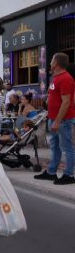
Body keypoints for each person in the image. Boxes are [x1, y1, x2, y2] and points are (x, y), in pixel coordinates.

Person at [34, 52, 75, 185]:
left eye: (51, 61)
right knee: (55, 147)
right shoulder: (56, 78)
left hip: (62, 120)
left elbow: (67, 102)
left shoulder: (65, 78)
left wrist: (57, 120)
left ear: (56, 63)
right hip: (54, 118)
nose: (50, 63)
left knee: (67, 147)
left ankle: (69, 174)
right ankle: (51, 172)